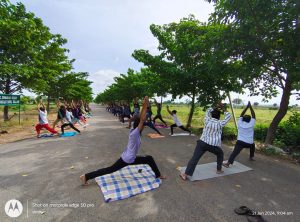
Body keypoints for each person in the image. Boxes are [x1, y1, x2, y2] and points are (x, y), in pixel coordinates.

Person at [80, 96, 165, 185]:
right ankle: (86, 176)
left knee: (149, 158)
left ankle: (158, 175)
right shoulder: (135, 133)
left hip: (129, 157)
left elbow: (140, 118)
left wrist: (144, 106)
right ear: (139, 126)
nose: (143, 126)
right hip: (128, 159)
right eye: (143, 126)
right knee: (109, 169)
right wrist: (145, 104)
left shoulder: (133, 129)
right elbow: (142, 119)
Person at [180, 103, 231, 180]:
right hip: (212, 145)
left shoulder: (207, 120)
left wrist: (215, 106)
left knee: (195, 158)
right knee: (220, 153)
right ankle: (219, 170)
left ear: (212, 115)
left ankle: (185, 174)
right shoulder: (220, 123)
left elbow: (207, 111)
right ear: (219, 117)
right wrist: (223, 108)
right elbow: (228, 116)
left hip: (201, 143)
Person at [223, 102, 256, 168]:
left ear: (243, 119)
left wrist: (246, 107)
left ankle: (228, 163)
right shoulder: (251, 124)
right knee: (253, 145)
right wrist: (250, 107)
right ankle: (251, 157)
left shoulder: (240, 123)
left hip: (240, 142)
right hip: (249, 143)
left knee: (235, 152)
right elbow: (253, 115)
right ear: (250, 120)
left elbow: (241, 114)